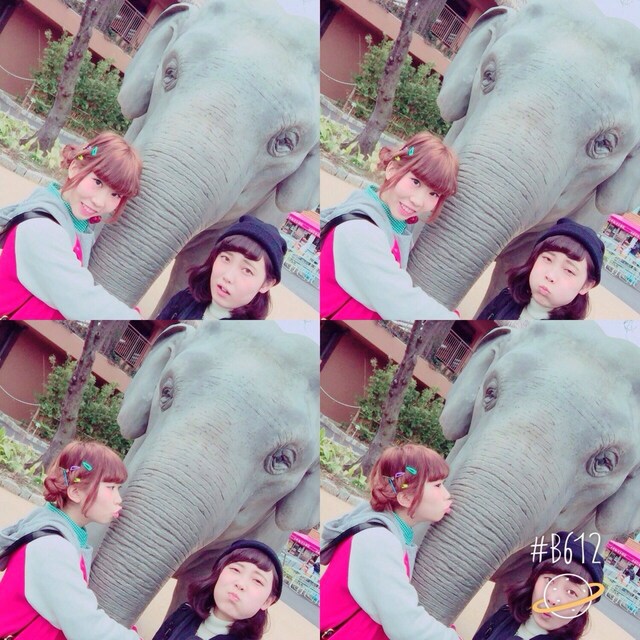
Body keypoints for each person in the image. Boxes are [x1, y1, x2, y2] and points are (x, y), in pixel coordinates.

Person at [0, 440, 140, 640]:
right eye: (110, 487)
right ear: (75, 492)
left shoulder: (61, 535)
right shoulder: (53, 548)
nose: (118, 499)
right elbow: (87, 628)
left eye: (118, 488)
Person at [320, 444, 460, 640]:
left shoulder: (389, 535)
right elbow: (406, 625)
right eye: (437, 485)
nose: (447, 494)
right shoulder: (378, 541)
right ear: (406, 497)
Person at [0, 132, 142, 320]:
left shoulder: (80, 227)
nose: (100, 201)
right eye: (97, 182)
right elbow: (79, 299)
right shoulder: (42, 229)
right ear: (74, 168)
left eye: (115, 194)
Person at [320, 132, 459, 320]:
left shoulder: (398, 228)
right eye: (415, 182)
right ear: (392, 169)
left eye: (433, 194)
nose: (418, 201)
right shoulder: (360, 231)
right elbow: (399, 301)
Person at [473, 531, 604, 640]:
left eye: (571, 592)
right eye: (549, 580)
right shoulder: (503, 615)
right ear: (535, 578)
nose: (552, 599)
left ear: (584, 605)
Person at [156, 216, 286, 320]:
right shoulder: (184, 299)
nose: (228, 277)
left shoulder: (248, 340)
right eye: (226, 259)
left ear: (266, 284)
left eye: (247, 270)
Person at [152, 539, 283, 640]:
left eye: (257, 581)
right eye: (236, 570)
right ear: (218, 573)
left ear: (268, 601)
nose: (240, 584)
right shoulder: (183, 614)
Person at [477, 219, 604, 320]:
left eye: (569, 270)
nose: (550, 276)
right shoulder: (505, 298)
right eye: (547, 259)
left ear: (586, 285)